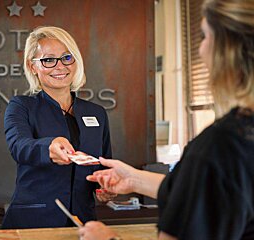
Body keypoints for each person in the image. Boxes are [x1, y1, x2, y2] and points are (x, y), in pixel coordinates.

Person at [79, 0, 254, 239]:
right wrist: (134, 179)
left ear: (227, 50)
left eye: (204, 36)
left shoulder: (219, 147)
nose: (200, 48)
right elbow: (207, 192)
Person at [2, 26, 115, 229]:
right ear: (32, 66)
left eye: (66, 57)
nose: (60, 66)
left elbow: (104, 163)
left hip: (83, 222)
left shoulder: (97, 113)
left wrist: (105, 186)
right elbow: (19, 146)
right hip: (33, 222)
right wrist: (49, 147)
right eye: (48, 60)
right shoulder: (21, 106)